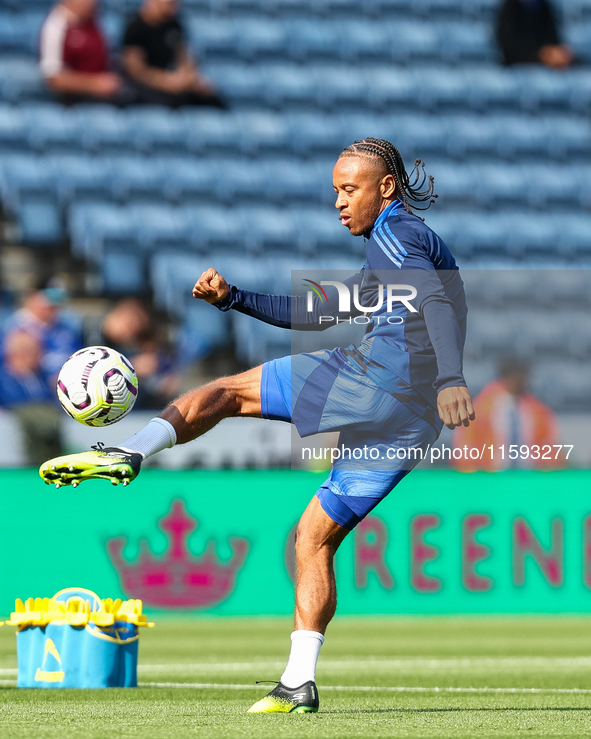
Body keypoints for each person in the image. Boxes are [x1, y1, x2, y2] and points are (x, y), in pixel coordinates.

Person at [40, 138, 474, 713]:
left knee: (223, 392)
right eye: (336, 191)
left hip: (377, 380)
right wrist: (236, 299)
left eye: (350, 189)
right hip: (413, 421)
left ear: (386, 188)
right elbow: (320, 312)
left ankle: (130, 451)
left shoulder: (397, 235)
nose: (339, 202)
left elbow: (436, 306)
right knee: (312, 539)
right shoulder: (393, 251)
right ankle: (299, 680)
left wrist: (452, 379)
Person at [452, 357, 562, 471]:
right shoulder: (483, 407)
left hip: (528, 476)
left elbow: (547, 444)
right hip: (492, 476)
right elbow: (467, 444)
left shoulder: (536, 409)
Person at [121, 0, 225, 108]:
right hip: (147, 86)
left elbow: (184, 58)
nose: (174, 6)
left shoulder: (175, 25)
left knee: (212, 100)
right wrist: (167, 81)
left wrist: (190, 79)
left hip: (172, 82)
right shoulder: (135, 28)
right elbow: (135, 71)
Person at [39, 0, 124, 104]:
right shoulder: (56, 25)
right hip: (75, 100)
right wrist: (96, 84)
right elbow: (54, 79)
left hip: (107, 95)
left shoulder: (97, 20)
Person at [102, 298, 179, 409]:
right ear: (120, 311)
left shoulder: (127, 353)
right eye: (130, 322)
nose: (130, 329)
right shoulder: (81, 331)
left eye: (136, 330)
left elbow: (169, 386)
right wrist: (128, 368)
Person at [0, 331, 63, 466]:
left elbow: (49, 400)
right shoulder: (4, 377)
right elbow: (12, 400)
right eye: (37, 351)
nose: (41, 356)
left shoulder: (40, 376)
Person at [2, 282, 83, 385]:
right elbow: (12, 367)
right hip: (34, 389)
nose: (52, 309)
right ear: (32, 298)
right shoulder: (13, 328)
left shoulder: (65, 328)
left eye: (55, 305)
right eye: (48, 304)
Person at [496, 0, 574, 68]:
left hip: (544, 59)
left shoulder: (544, 5)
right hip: (517, 61)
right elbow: (507, 41)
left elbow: (552, 37)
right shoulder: (510, 7)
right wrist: (541, 53)